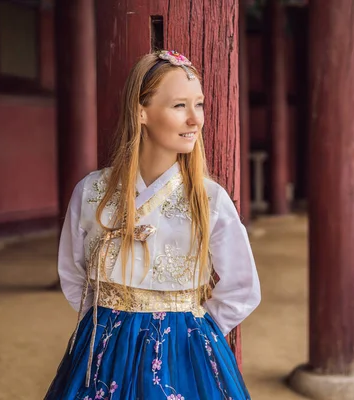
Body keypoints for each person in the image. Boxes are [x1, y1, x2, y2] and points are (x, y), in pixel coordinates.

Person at [45, 50, 261, 400]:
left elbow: (242, 287)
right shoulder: (92, 192)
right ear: (141, 111)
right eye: (179, 106)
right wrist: (104, 327)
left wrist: (194, 336)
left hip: (183, 353)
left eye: (200, 105)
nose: (196, 119)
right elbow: (73, 273)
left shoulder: (208, 199)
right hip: (105, 342)